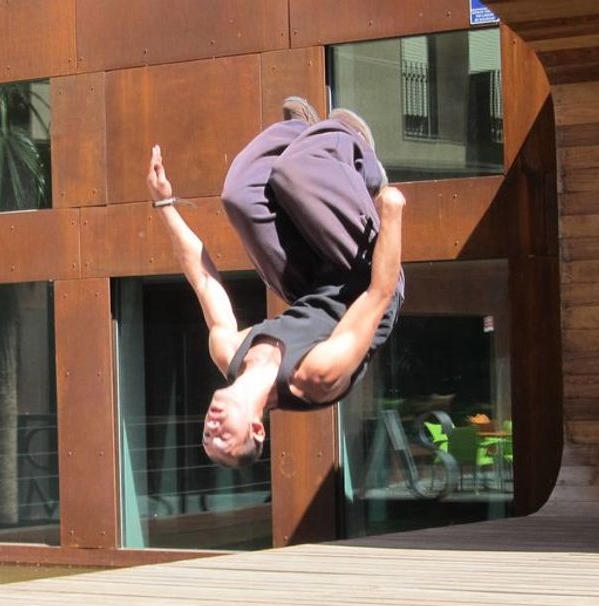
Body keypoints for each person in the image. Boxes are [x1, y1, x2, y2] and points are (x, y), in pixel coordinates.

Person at [146, 98, 406, 468]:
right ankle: (357, 150)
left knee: (239, 197)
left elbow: (203, 280)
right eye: (223, 436)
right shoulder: (315, 375)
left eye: (206, 435)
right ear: (257, 428)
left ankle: (302, 132)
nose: (211, 427)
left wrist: (164, 203)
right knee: (297, 172)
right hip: (365, 275)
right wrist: (391, 210)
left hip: (312, 282)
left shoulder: (229, 351)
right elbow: (379, 294)